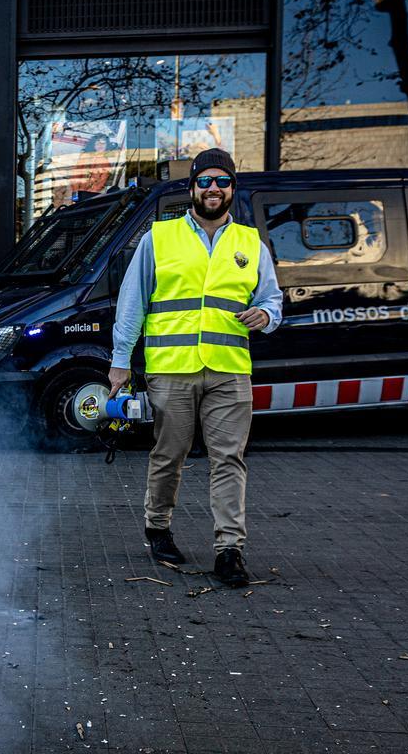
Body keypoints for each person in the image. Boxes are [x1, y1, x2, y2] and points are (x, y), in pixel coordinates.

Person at [108, 148, 283, 587]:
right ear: (191, 189)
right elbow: (132, 305)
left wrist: (264, 316)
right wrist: (119, 364)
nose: (213, 189)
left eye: (222, 182)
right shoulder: (158, 238)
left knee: (229, 459)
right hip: (172, 369)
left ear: (232, 190)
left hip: (228, 370)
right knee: (170, 456)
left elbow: (272, 301)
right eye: (205, 181)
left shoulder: (250, 243)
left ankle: (229, 550)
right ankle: (158, 527)